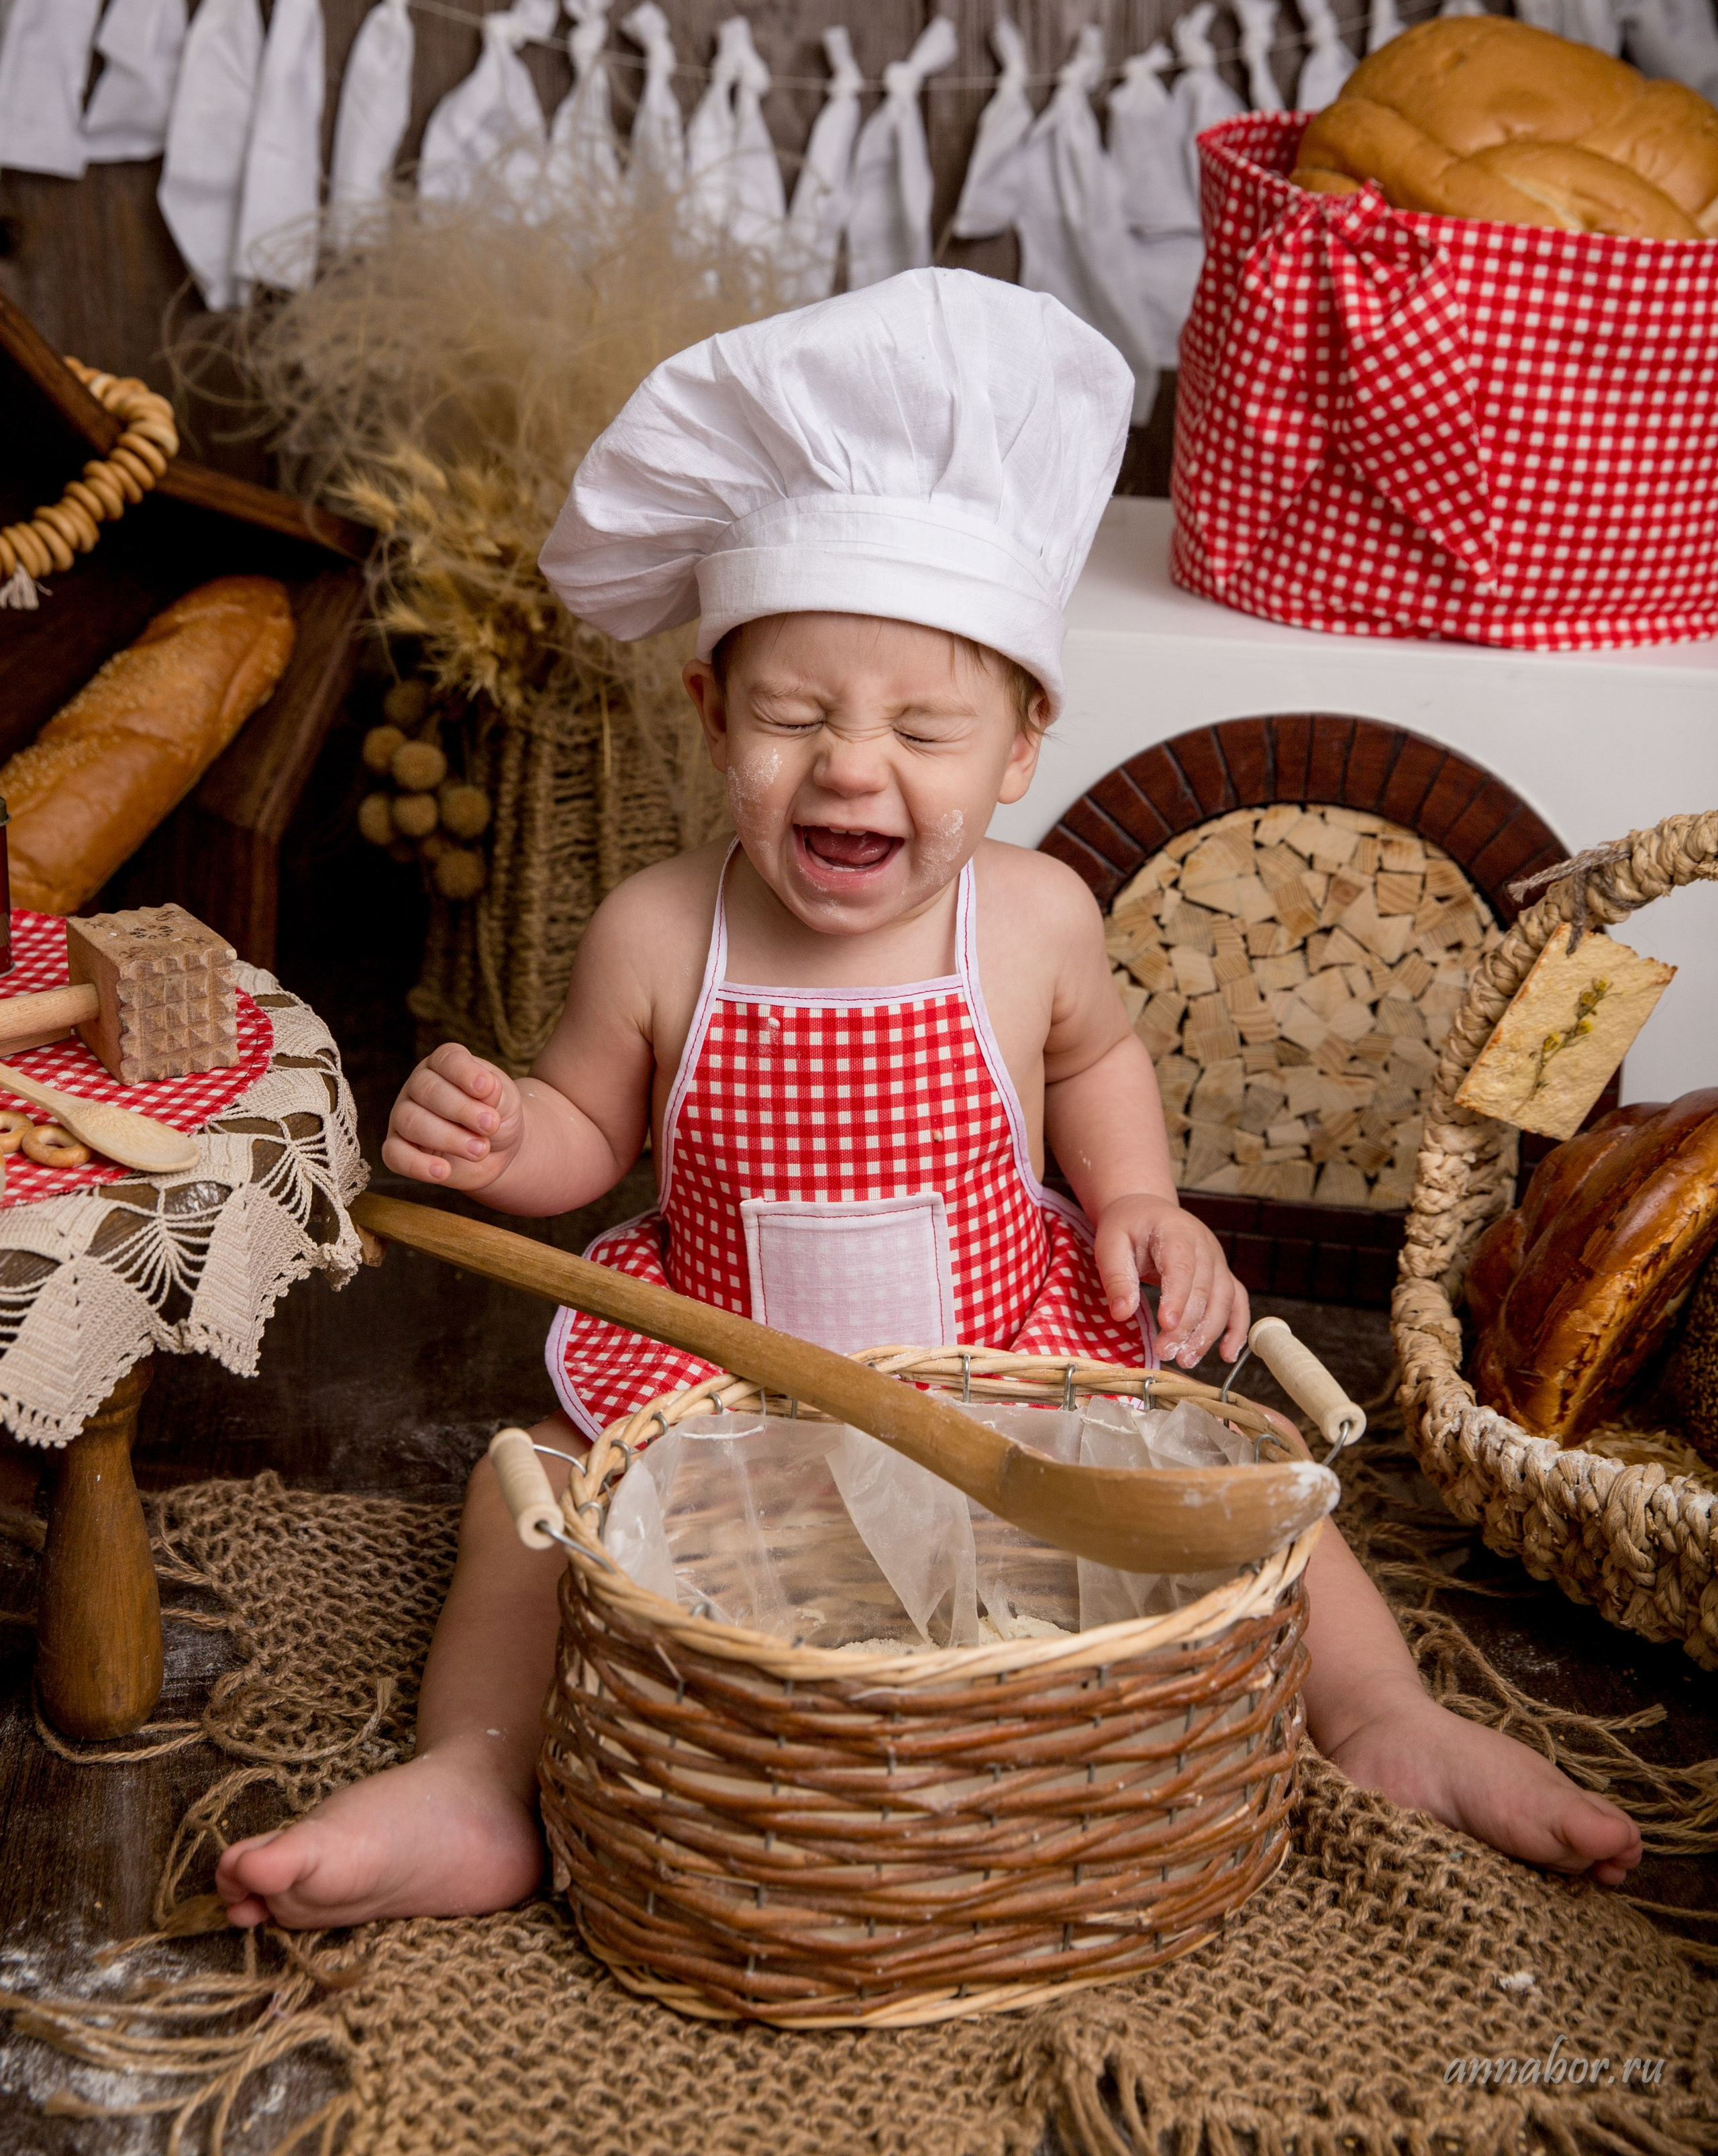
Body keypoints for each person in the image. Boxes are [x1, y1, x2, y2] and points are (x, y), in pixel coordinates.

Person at [216, 271, 1639, 1929]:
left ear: (1022, 743)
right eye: (793, 713)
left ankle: (1381, 1717)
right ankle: (475, 1774)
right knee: (520, 1491)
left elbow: (1095, 1061)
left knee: (1232, 1485)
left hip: (1001, 1368)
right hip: (724, 1381)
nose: (848, 766)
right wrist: (508, 1142)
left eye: (925, 726)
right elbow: (593, 1140)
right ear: (707, 714)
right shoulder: (659, 931)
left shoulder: (1030, 920)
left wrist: (1131, 1202)